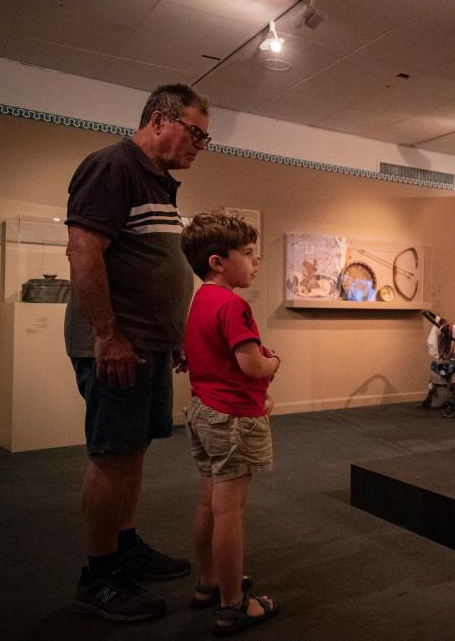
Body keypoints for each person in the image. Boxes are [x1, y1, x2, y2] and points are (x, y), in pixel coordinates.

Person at [66, 84, 210, 621]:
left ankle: (124, 546)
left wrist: (172, 336)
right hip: (116, 344)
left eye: (205, 137)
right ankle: (99, 577)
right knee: (112, 456)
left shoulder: (156, 182)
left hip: (148, 344)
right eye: (195, 132)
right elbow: (83, 250)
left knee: (133, 452)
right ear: (158, 120)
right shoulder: (113, 166)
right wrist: (108, 335)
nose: (200, 145)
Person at [180, 213, 280, 635]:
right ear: (218, 262)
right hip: (233, 418)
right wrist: (275, 362)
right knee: (230, 511)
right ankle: (232, 604)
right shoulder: (233, 305)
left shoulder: (201, 299)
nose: (255, 262)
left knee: (209, 502)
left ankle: (209, 582)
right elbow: (252, 365)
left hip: (204, 412)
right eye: (248, 253)